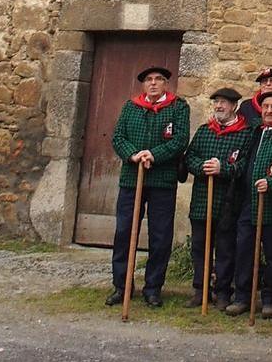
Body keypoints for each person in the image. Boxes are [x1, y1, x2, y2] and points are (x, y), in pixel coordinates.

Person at [107, 66, 191, 308]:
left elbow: (179, 140)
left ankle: (153, 288)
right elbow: (118, 137)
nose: (154, 83)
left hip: (162, 181)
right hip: (132, 180)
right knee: (124, 232)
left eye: (159, 79)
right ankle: (121, 286)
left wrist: (153, 154)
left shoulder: (178, 107)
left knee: (160, 236)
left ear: (166, 84)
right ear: (143, 85)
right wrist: (133, 155)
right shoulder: (131, 107)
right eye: (149, 80)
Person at [228, 91, 272, 317]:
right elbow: (242, 159)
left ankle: (270, 299)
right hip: (249, 202)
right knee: (244, 250)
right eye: (266, 106)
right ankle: (242, 296)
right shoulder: (254, 132)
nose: (269, 110)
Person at [184, 88, 252, 310]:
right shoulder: (205, 131)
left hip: (228, 201)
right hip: (202, 200)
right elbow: (190, 157)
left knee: (225, 249)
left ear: (234, 106)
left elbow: (244, 165)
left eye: (224, 103)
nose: (219, 106)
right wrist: (202, 167)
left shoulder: (245, 133)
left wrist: (224, 168)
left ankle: (222, 292)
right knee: (200, 247)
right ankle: (199, 289)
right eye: (216, 102)